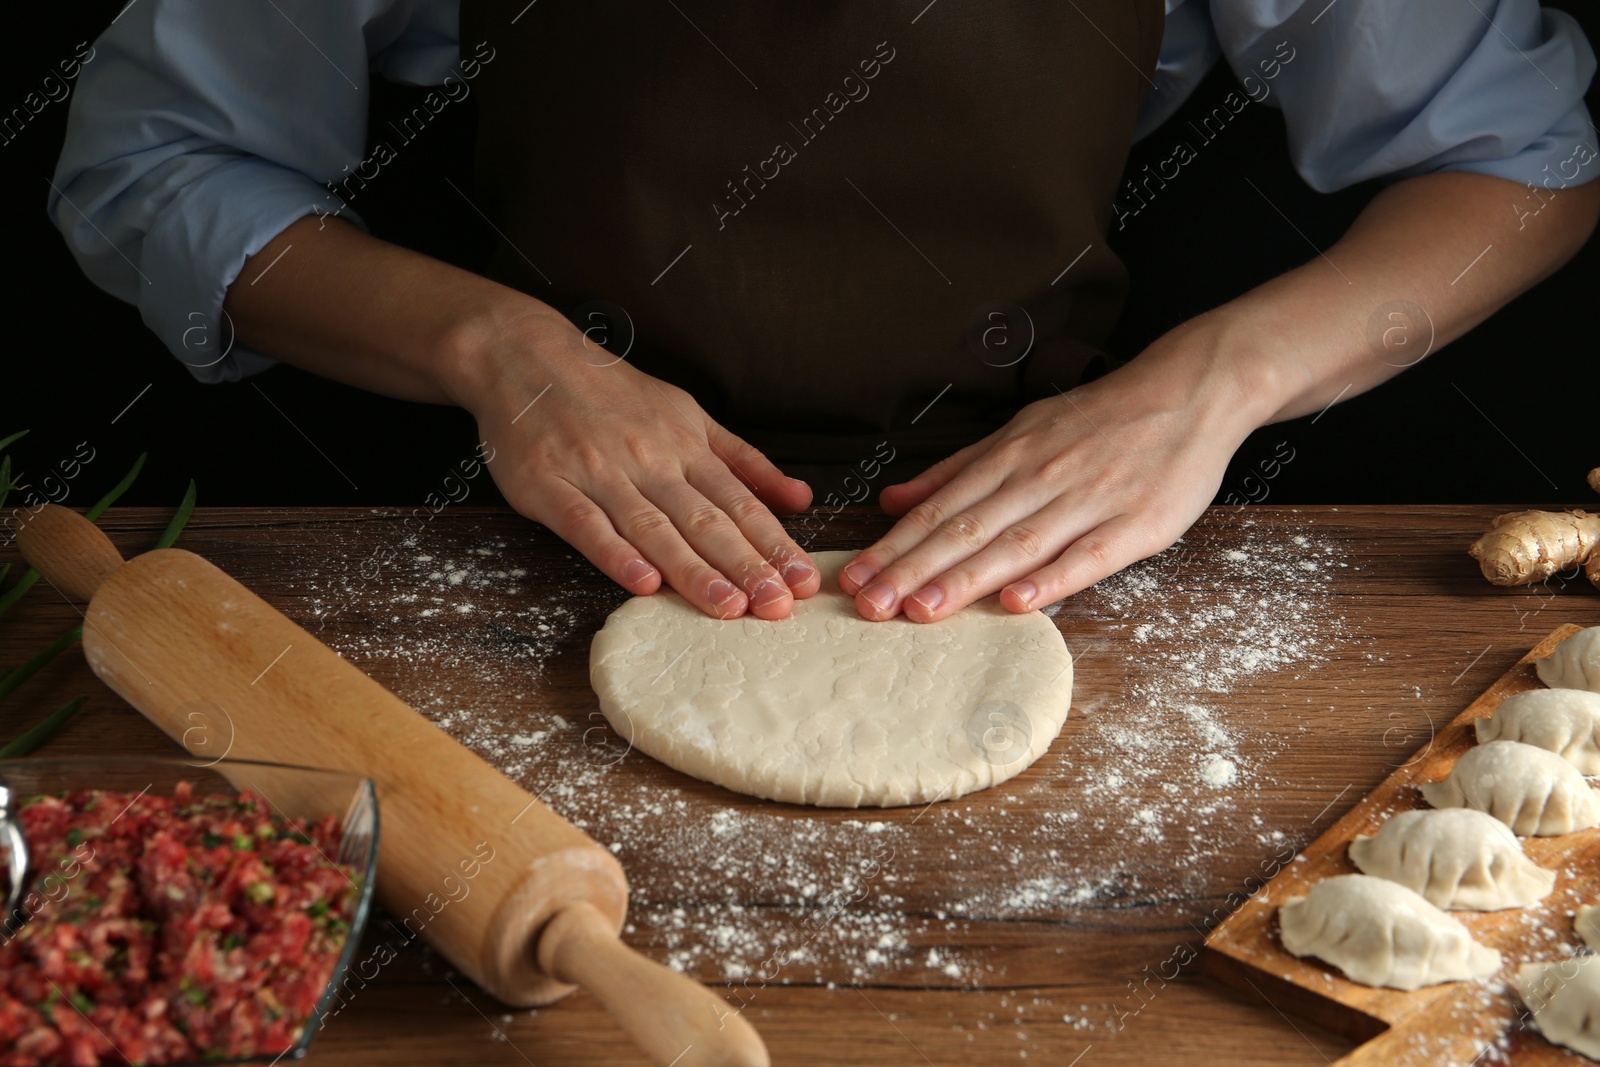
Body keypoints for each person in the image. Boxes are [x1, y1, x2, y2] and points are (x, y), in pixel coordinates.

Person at [51, 1, 1599, 625]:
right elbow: (158, 160)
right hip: (508, 531)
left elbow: (1518, 167)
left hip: (1033, 524)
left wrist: (1210, 387)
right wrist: (499, 352)